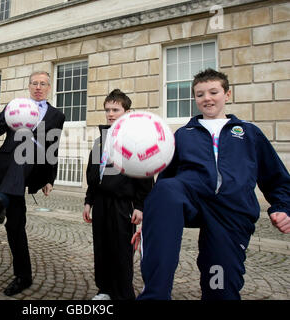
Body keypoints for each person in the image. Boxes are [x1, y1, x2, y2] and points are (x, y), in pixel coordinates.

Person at [131, 68, 290, 300]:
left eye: (213, 92)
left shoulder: (249, 133)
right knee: (166, 190)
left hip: (230, 213)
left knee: (220, 283)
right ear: (194, 99)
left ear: (227, 94)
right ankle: (155, 295)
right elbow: (166, 181)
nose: (207, 98)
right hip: (192, 198)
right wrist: (151, 223)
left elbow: (278, 178)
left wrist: (282, 207)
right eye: (200, 94)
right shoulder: (183, 134)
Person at [0, 71, 65, 296]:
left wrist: (49, 178)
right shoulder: (15, 106)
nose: (38, 87)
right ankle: (24, 276)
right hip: (11, 170)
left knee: (29, 145)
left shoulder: (56, 115)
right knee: (14, 226)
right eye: (34, 83)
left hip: (35, 167)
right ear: (29, 85)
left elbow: (53, 146)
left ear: (49, 87)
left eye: (43, 84)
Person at [82, 89, 153, 300]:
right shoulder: (100, 141)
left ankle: (123, 293)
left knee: (121, 251)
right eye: (107, 110)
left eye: (116, 109)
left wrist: (140, 205)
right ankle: (104, 289)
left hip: (123, 204)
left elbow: (145, 175)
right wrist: (89, 201)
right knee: (101, 247)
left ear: (127, 112)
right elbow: (93, 174)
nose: (110, 114)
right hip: (101, 203)